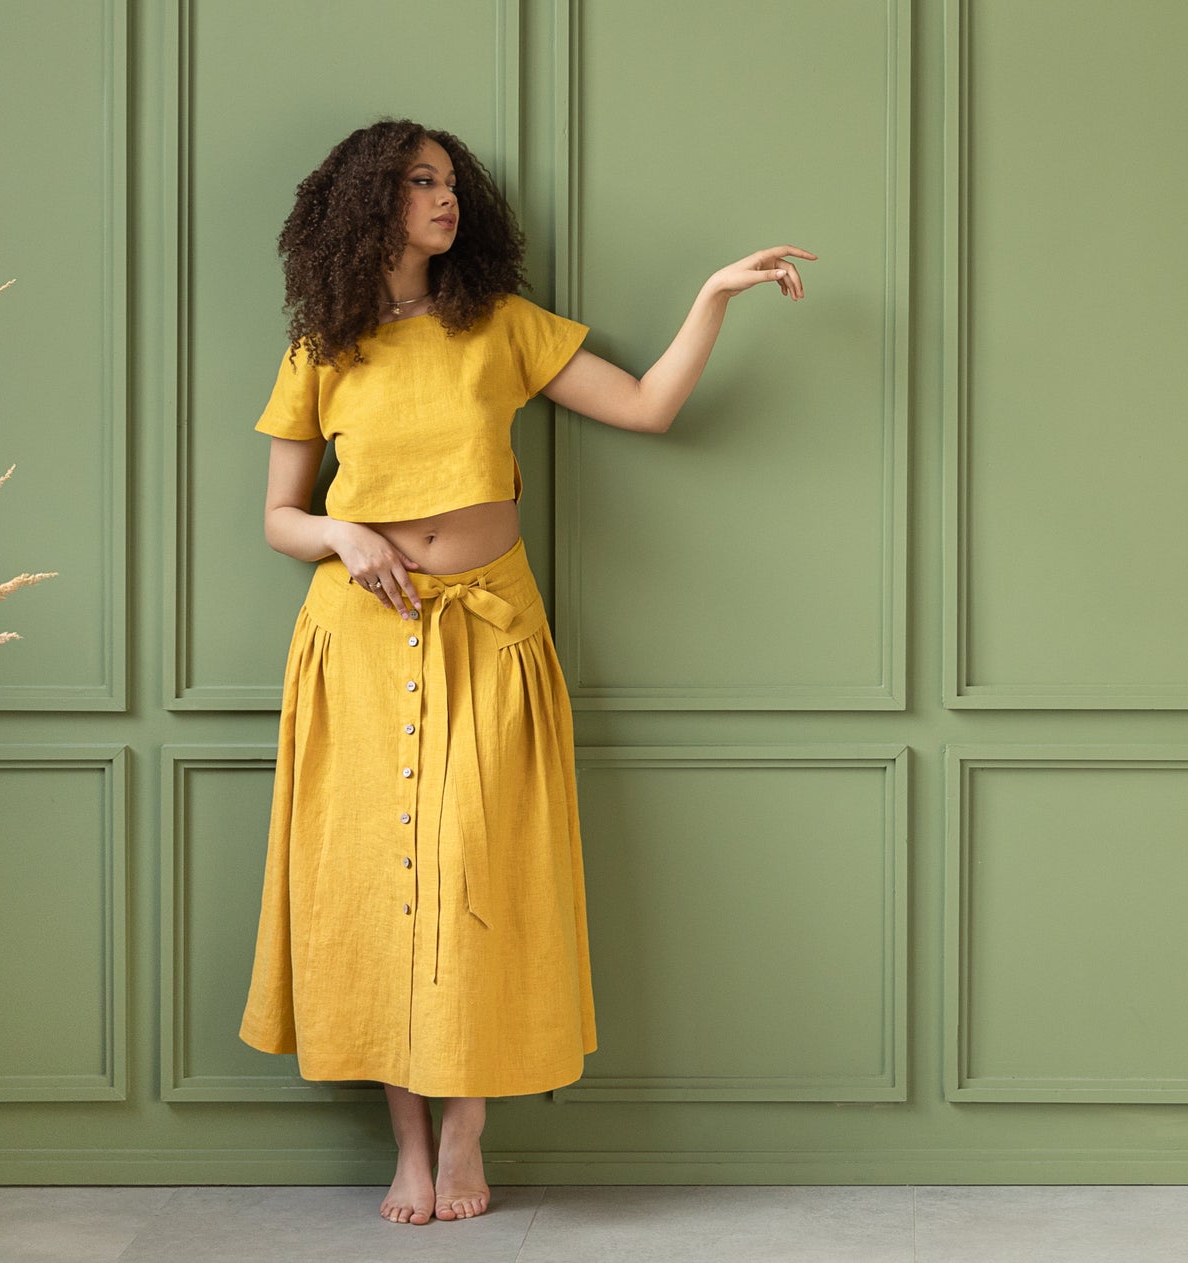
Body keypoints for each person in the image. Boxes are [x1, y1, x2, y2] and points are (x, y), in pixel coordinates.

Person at [236, 118, 812, 1226]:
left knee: (477, 876)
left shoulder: (497, 325)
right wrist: (342, 536)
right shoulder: (324, 347)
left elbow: (648, 407)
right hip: (357, 639)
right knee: (375, 892)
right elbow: (276, 518)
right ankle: (408, 1144)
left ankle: (469, 1128)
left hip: (492, 631)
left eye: (450, 182)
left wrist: (712, 297)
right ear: (370, 204)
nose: (443, 199)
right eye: (419, 183)